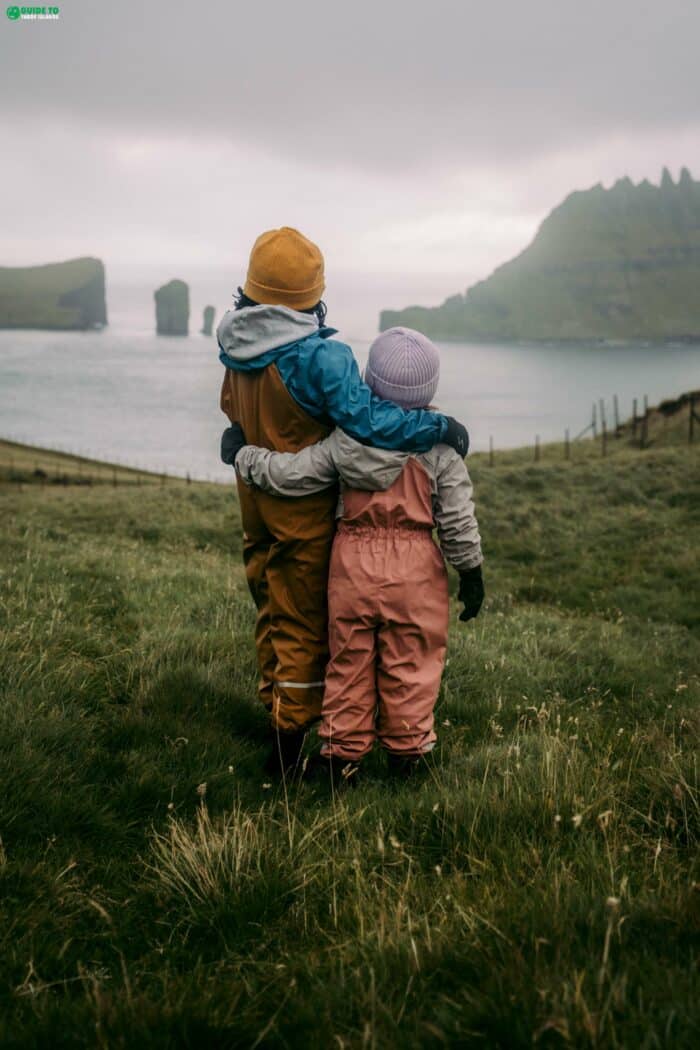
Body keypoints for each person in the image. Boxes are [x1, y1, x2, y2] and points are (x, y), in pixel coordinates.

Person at [218, 228, 470, 775]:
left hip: (254, 504)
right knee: (306, 629)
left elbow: (234, 416)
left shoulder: (234, 345)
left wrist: (240, 453)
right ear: (313, 292)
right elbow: (364, 419)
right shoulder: (321, 357)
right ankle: (288, 750)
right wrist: (437, 425)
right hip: (302, 516)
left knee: (269, 609)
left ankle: (289, 722)